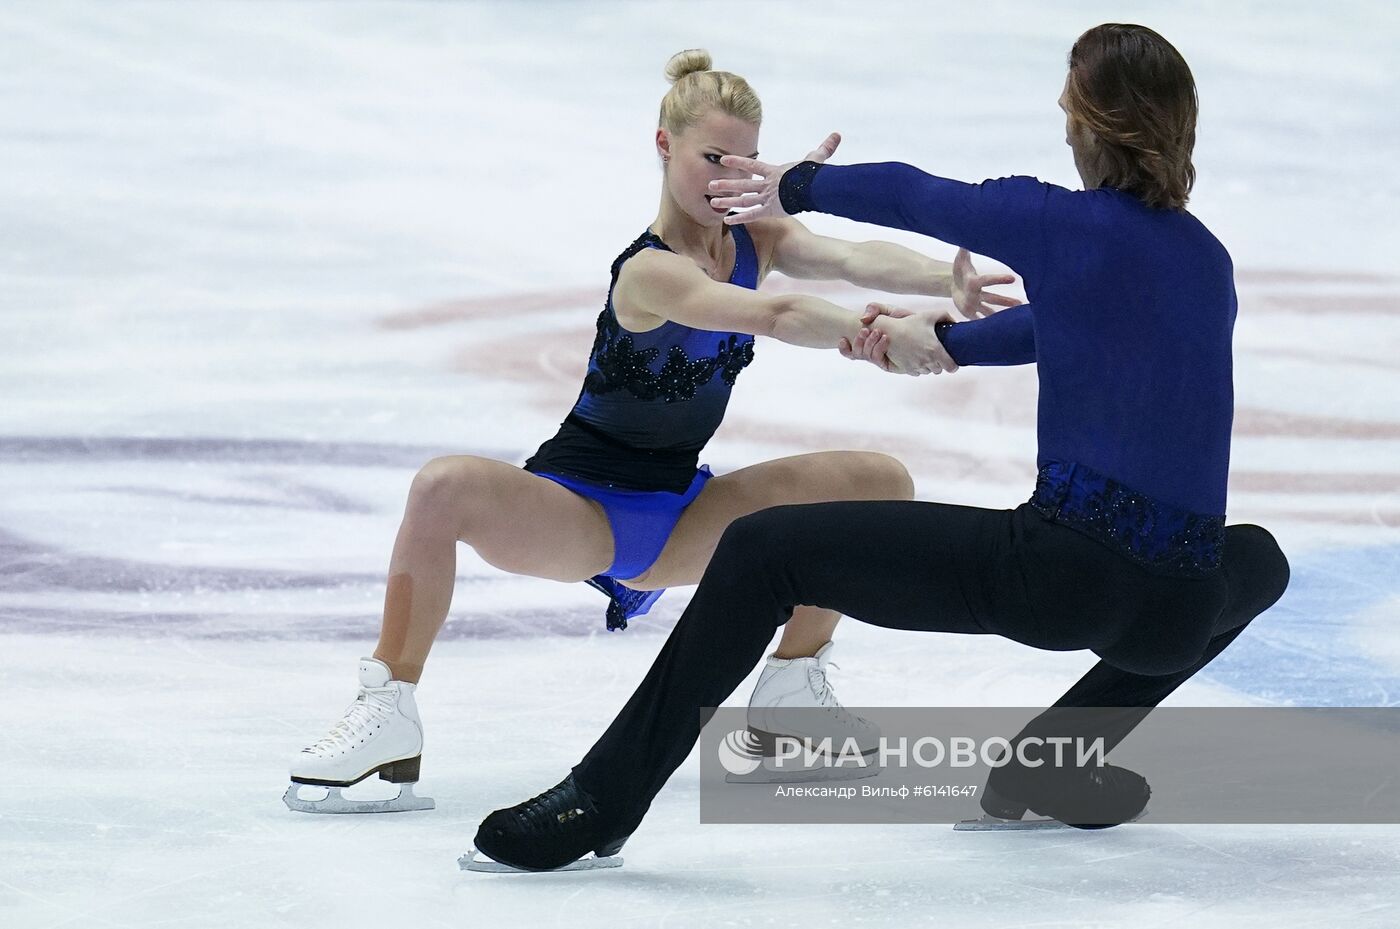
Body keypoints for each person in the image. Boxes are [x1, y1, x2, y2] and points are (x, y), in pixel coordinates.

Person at [472, 24, 1291, 870]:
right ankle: (1054, 764)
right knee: (1259, 558)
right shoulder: (1207, 261)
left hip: (1061, 578)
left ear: (1089, 125)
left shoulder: (1061, 223)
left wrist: (801, 181)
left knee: (761, 552)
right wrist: (944, 341)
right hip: (1179, 609)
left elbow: (913, 194)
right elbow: (1081, 329)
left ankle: (602, 797)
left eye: (1067, 113)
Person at [284, 49, 1019, 813]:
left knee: (879, 480)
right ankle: (388, 712)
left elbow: (846, 253)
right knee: (443, 488)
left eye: (747, 159)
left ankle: (790, 698)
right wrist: (871, 335)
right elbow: (771, 314)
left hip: (684, 516)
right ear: (664, 145)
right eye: (711, 157)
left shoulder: (753, 238)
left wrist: (944, 281)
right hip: (583, 511)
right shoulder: (648, 272)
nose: (729, 176)